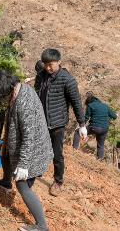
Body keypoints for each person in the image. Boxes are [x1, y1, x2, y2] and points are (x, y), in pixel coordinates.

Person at [0, 69, 53, 231]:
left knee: (23, 185)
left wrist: (23, 165)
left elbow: (29, 137)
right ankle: (5, 182)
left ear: (4, 89)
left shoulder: (24, 103)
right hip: (23, 145)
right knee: (4, 152)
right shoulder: (17, 90)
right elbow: (9, 110)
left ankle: (42, 226)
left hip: (33, 151)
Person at [34, 48, 86, 197]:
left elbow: (76, 102)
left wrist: (82, 125)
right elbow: (37, 96)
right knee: (40, 148)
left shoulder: (67, 80)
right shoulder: (41, 76)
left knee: (57, 154)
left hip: (57, 123)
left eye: (51, 64)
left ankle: (58, 181)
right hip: (41, 120)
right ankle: (36, 171)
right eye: (45, 64)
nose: (48, 68)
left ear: (59, 62)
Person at [72, 91, 117, 160]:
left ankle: (74, 150)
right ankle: (100, 160)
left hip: (94, 127)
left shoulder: (90, 105)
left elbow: (86, 117)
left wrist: (82, 126)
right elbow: (114, 116)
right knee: (100, 145)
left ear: (88, 102)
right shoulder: (105, 106)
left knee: (77, 132)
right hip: (104, 129)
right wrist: (114, 115)